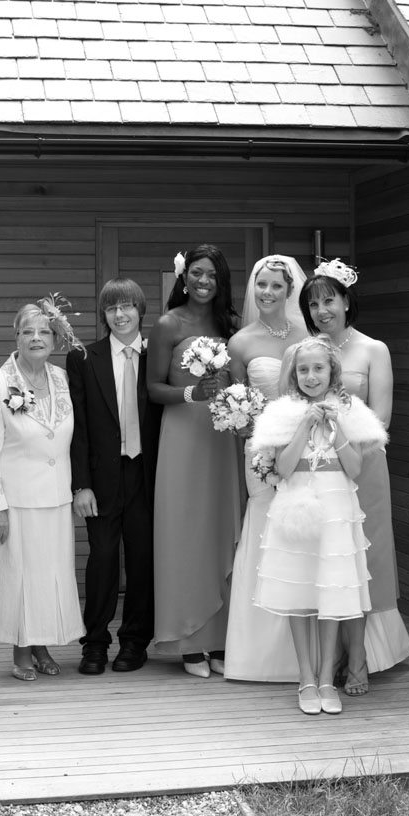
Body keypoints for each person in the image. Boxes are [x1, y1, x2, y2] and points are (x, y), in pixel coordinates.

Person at [290, 259, 409, 695]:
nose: (322, 310)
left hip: (364, 465)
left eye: (329, 300)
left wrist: (342, 436)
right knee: (326, 562)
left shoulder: (373, 350)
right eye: (313, 303)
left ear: (346, 300)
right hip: (317, 471)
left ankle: (360, 660)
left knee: (366, 561)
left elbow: (381, 417)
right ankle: (332, 660)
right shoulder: (308, 352)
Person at [252, 335, 386, 714]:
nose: (311, 376)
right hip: (297, 503)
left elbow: (356, 469)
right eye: (303, 370)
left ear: (332, 372)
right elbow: (282, 467)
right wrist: (303, 427)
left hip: (336, 504)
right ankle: (306, 679)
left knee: (331, 591)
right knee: (300, 592)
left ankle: (328, 678)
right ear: (294, 375)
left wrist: (335, 427)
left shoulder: (350, 409)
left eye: (319, 369)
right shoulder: (283, 411)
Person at [0, 295, 85, 680]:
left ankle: (40, 643)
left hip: (56, 496)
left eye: (44, 331)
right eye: (28, 331)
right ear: (16, 337)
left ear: (55, 338)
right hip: (16, 500)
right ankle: (20, 650)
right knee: (18, 574)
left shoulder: (62, 378)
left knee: (48, 573)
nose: (36, 338)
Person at [147, 244, 241, 677]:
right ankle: (187, 640)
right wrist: (191, 393)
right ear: (184, 277)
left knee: (221, 530)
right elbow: (153, 389)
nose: (204, 282)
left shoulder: (231, 326)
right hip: (183, 437)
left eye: (212, 276)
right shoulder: (169, 324)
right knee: (184, 533)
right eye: (197, 274)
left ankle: (220, 640)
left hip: (223, 439)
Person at [67, 278, 161, 676]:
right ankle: (95, 643)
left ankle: (135, 642)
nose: (120, 315)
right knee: (102, 558)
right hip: (103, 477)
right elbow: (79, 427)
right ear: (103, 315)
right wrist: (81, 484)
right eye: (111, 308)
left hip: (147, 473)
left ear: (141, 310)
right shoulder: (84, 358)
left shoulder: (160, 355)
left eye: (126, 307)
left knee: (142, 559)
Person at [224, 255, 310, 682]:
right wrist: (253, 436)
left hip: (307, 449)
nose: (268, 293)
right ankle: (256, 653)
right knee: (262, 528)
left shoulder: (308, 334)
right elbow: (237, 406)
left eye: (277, 286)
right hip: (259, 451)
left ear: (290, 289)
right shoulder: (240, 342)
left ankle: (305, 655)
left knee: (302, 534)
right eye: (262, 285)